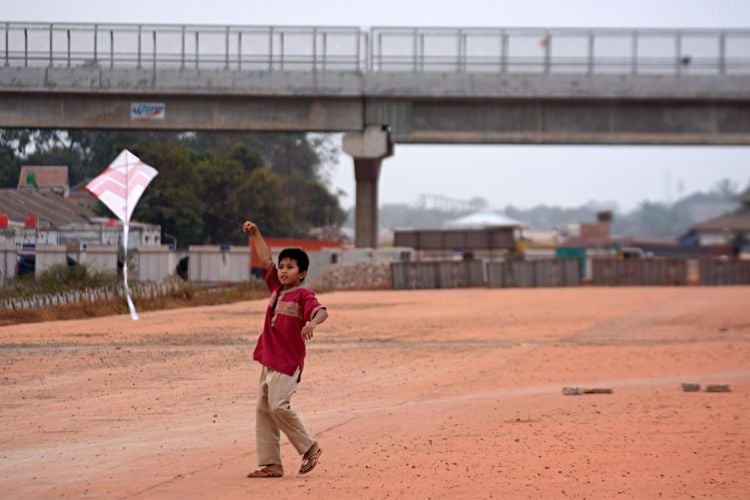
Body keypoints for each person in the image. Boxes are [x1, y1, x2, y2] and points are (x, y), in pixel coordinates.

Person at [242, 220, 327, 478]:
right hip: (268, 359)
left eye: (290, 267)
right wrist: (256, 233)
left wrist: (311, 322)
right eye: (282, 266)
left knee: (279, 406)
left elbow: (322, 311)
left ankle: (310, 446)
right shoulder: (277, 289)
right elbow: (265, 257)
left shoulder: (304, 295)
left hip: (288, 362)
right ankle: (271, 464)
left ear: (301, 273)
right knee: (263, 411)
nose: (282, 271)